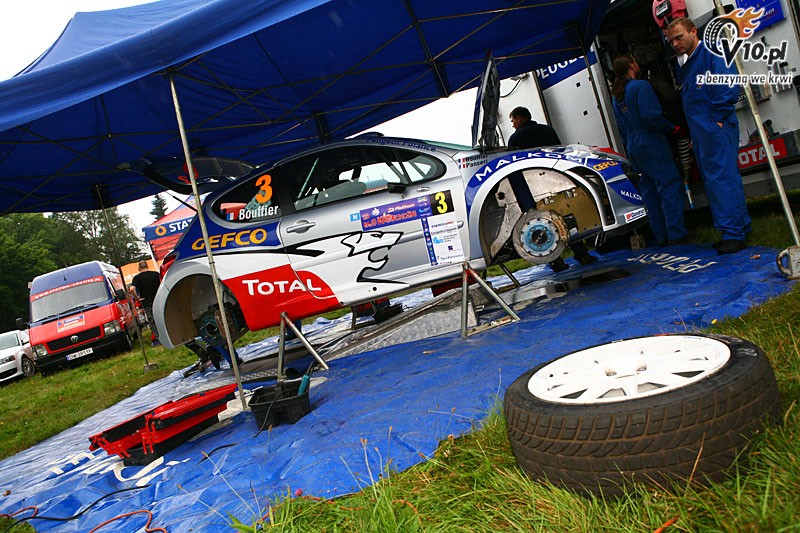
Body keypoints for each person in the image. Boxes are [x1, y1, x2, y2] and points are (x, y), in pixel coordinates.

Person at [665, 17, 751, 254]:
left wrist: (717, 120)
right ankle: (737, 227)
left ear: (693, 32)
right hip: (703, 131)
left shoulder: (712, 53)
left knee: (722, 179)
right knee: (717, 180)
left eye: (679, 37)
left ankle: (733, 233)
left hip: (714, 129)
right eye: (671, 41)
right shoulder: (688, 64)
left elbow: (727, 85)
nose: (675, 44)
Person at [611, 55, 688, 246]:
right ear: (632, 65)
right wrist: (673, 128)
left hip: (633, 146)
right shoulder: (641, 87)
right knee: (669, 184)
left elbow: (621, 128)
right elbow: (652, 117)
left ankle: (661, 236)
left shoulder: (617, 97)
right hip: (651, 142)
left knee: (649, 190)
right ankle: (676, 234)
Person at [507, 106, 597, 271]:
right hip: (557, 180)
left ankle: (556, 262)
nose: (513, 124)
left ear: (519, 118)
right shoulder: (547, 130)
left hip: (535, 189)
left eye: (513, 120)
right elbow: (560, 151)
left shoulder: (515, 139)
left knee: (545, 222)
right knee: (568, 217)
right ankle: (582, 254)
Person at [130, 260, 161, 346]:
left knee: (152, 321)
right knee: (161, 318)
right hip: (158, 299)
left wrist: (137, 299)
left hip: (147, 302)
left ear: (139, 268)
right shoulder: (156, 274)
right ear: (147, 266)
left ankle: (158, 340)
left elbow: (132, 289)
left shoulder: (137, 278)